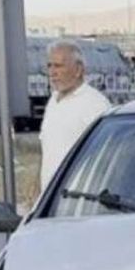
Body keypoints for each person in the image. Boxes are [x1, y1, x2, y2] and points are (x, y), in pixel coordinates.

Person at [38, 40, 111, 191]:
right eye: (49, 66)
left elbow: (106, 157)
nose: (52, 72)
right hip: (52, 196)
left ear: (78, 70)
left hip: (80, 196)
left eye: (58, 66)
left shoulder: (95, 104)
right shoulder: (53, 101)